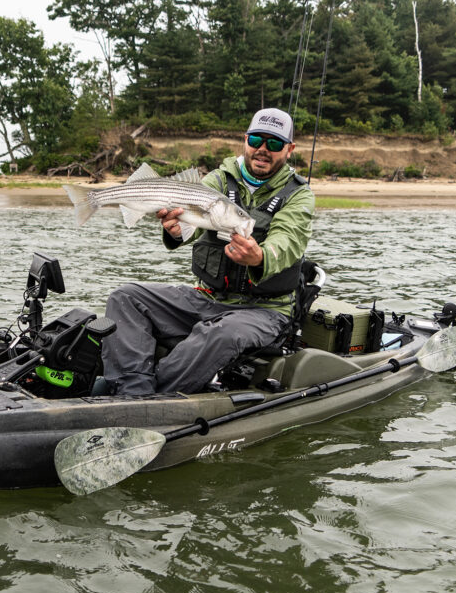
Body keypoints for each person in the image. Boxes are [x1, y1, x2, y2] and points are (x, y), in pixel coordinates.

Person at [101, 108, 315, 395]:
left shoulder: (298, 194)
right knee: (125, 296)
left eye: (274, 144)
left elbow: (288, 240)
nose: (263, 150)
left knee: (221, 334)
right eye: (256, 141)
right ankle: (132, 391)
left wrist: (259, 257)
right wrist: (173, 232)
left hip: (263, 311)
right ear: (245, 140)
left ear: (289, 150)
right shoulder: (218, 180)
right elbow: (192, 226)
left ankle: (151, 400)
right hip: (208, 299)